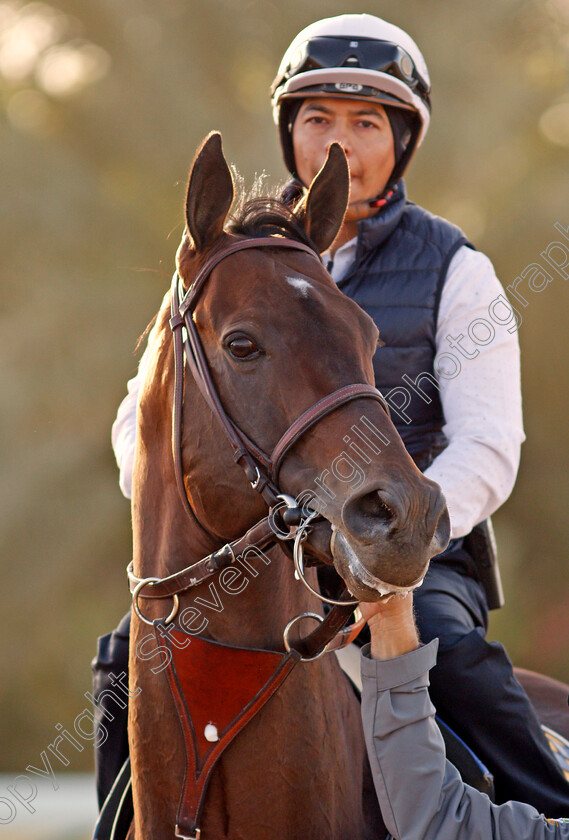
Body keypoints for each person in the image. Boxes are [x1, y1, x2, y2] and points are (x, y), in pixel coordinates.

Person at [94, 12, 569, 816]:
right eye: (318, 120)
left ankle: (547, 806)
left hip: (410, 548)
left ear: (402, 140)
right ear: (289, 132)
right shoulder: (220, 266)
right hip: (253, 557)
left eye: (365, 123)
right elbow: (137, 426)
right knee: (121, 664)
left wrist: (393, 546)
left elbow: (488, 443)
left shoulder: (458, 270)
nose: (337, 145)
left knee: (448, 657)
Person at [359, 593, 569, 840]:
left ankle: (552, 802)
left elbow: (439, 823)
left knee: (445, 650)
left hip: (440, 567)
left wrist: (392, 620)